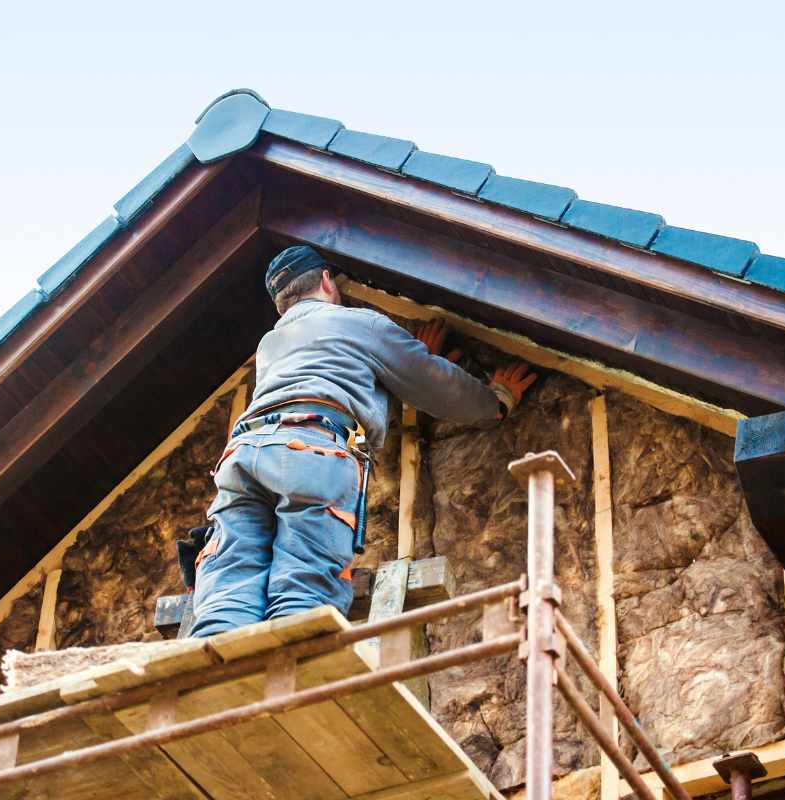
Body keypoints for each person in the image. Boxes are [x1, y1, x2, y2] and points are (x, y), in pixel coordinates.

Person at [188, 245, 537, 637]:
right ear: (325, 280)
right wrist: (496, 402)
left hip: (243, 455)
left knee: (230, 582)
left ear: (281, 305)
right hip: (311, 451)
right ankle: (293, 686)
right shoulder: (361, 323)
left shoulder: (271, 344)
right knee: (304, 585)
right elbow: (432, 382)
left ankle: (213, 678)